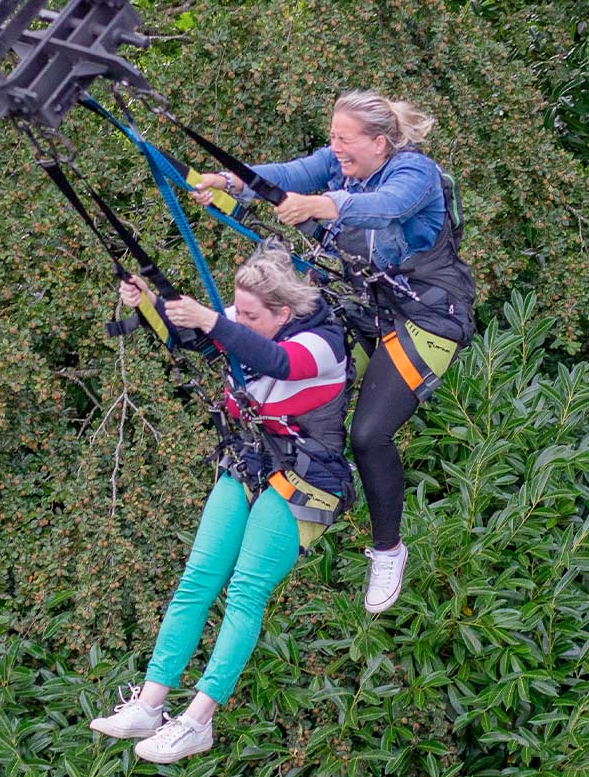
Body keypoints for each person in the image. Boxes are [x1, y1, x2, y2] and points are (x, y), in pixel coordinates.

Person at [192, 89, 476, 615]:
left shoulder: (415, 176)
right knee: (307, 371)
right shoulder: (336, 163)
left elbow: (381, 208)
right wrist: (229, 183)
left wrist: (321, 205)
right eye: (332, 138)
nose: (334, 148)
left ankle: (388, 550)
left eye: (344, 140)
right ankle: (288, 481)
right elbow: (291, 174)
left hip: (430, 317)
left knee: (369, 434)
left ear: (379, 143)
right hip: (368, 311)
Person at [90, 244, 353, 764]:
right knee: (199, 577)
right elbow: (187, 334)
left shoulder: (322, 344)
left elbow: (276, 360)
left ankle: (198, 720)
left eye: (251, 315)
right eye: (238, 311)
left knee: (245, 591)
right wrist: (146, 303)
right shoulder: (244, 321)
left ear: (283, 313)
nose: (240, 320)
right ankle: (151, 702)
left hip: (307, 478)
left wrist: (212, 319)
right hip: (251, 461)